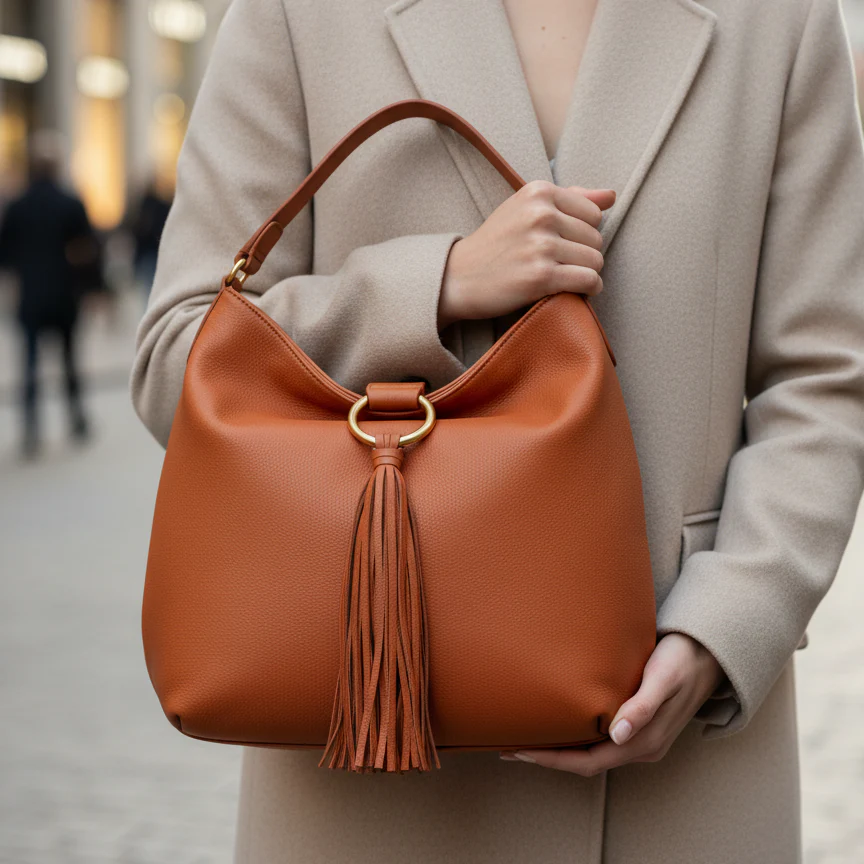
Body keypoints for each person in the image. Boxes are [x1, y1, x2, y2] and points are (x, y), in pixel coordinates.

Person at [131, 0, 864, 860]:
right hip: (370, 751)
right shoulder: (297, 14)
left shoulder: (777, 20)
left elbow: (823, 377)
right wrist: (433, 287)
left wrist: (725, 628)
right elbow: (177, 359)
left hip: (681, 773)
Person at [0, 132, 97, 458]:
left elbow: (5, 254)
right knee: (69, 358)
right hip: (63, 294)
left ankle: (31, 430)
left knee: (29, 363)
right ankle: (76, 418)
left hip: (30, 296)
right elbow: (88, 250)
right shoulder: (70, 203)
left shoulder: (17, 206)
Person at [130, 181, 171, 300]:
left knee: (149, 291)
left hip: (150, 255)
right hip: (152, 255)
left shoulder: (143, 209)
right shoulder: (158, 207)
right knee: (151, 290)